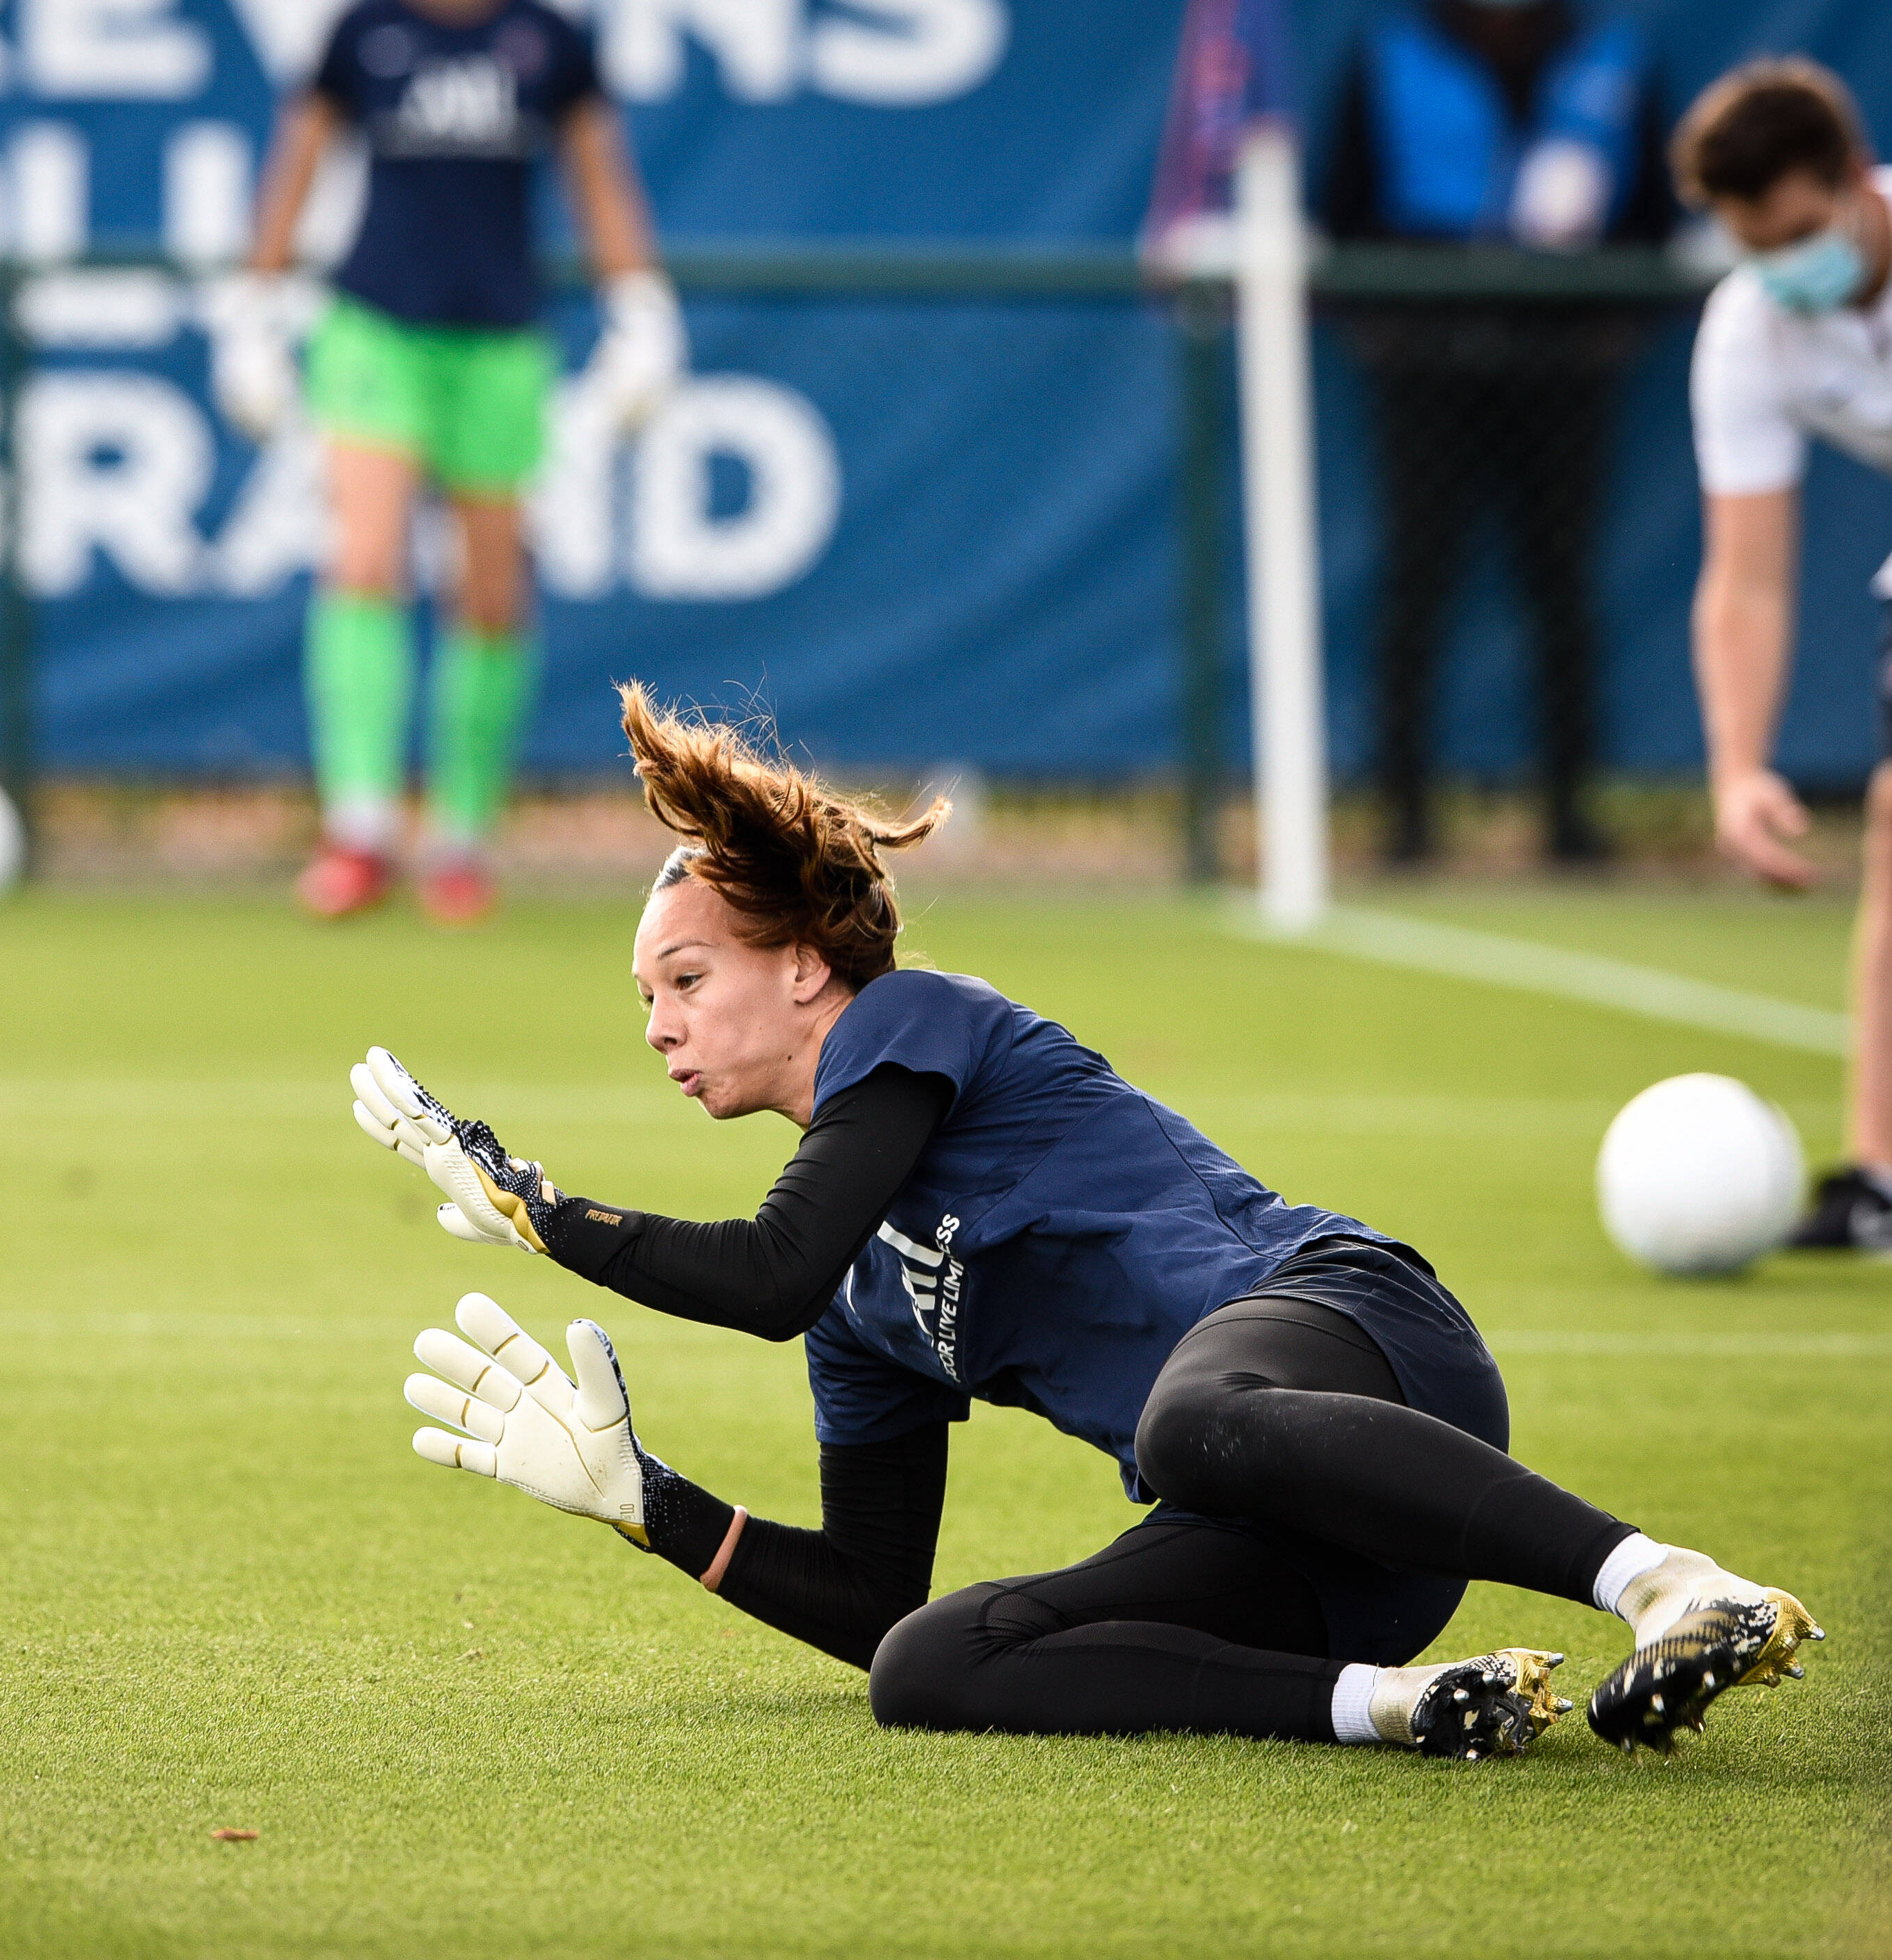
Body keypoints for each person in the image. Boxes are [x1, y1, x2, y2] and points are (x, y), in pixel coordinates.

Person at [349, 685, 1824, 1756]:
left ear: (804, 969)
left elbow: (764, 1272)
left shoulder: (912, 1021)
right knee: (928, 1667)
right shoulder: (863, 1305)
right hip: (1313, 1551)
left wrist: (544, 1213)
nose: (658, 1028)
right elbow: (872, 1594)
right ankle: (1405, 1705)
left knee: (1189, 1417)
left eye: (684, 979)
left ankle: (1669, 1583)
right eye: (645, 999)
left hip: (1363, 1341)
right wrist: (652, 1508)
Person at [208, 0, 683, 924]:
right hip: (374, 328)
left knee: (494, 589)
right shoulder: (365, 33)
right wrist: (251, 313)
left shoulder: (547, 40)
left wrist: (643, 312)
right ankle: (359, 826)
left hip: (501, 342)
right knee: (364, 559)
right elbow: (295, 168)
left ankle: (461, 835)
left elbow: (601, 181)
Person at [1321, 0, 1676, 866]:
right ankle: (1404, 816)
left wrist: (1608, 327)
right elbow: (1340, 211)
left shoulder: (1608, 59)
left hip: (1561, 363)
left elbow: (1659, 219)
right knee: (1417, 582)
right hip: (1429, 362)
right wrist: (1390, 328)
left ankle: (1569, 815)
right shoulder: (1394, 56)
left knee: (1561, 586)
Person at [1675, 59, 1892, 1250]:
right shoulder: (1753, 329)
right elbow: (1747, 575)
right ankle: (1883, 1180)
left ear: (1858, 180)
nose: (1785, 266)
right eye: (1758, 244)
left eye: (1805, 232)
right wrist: (1740, 765)